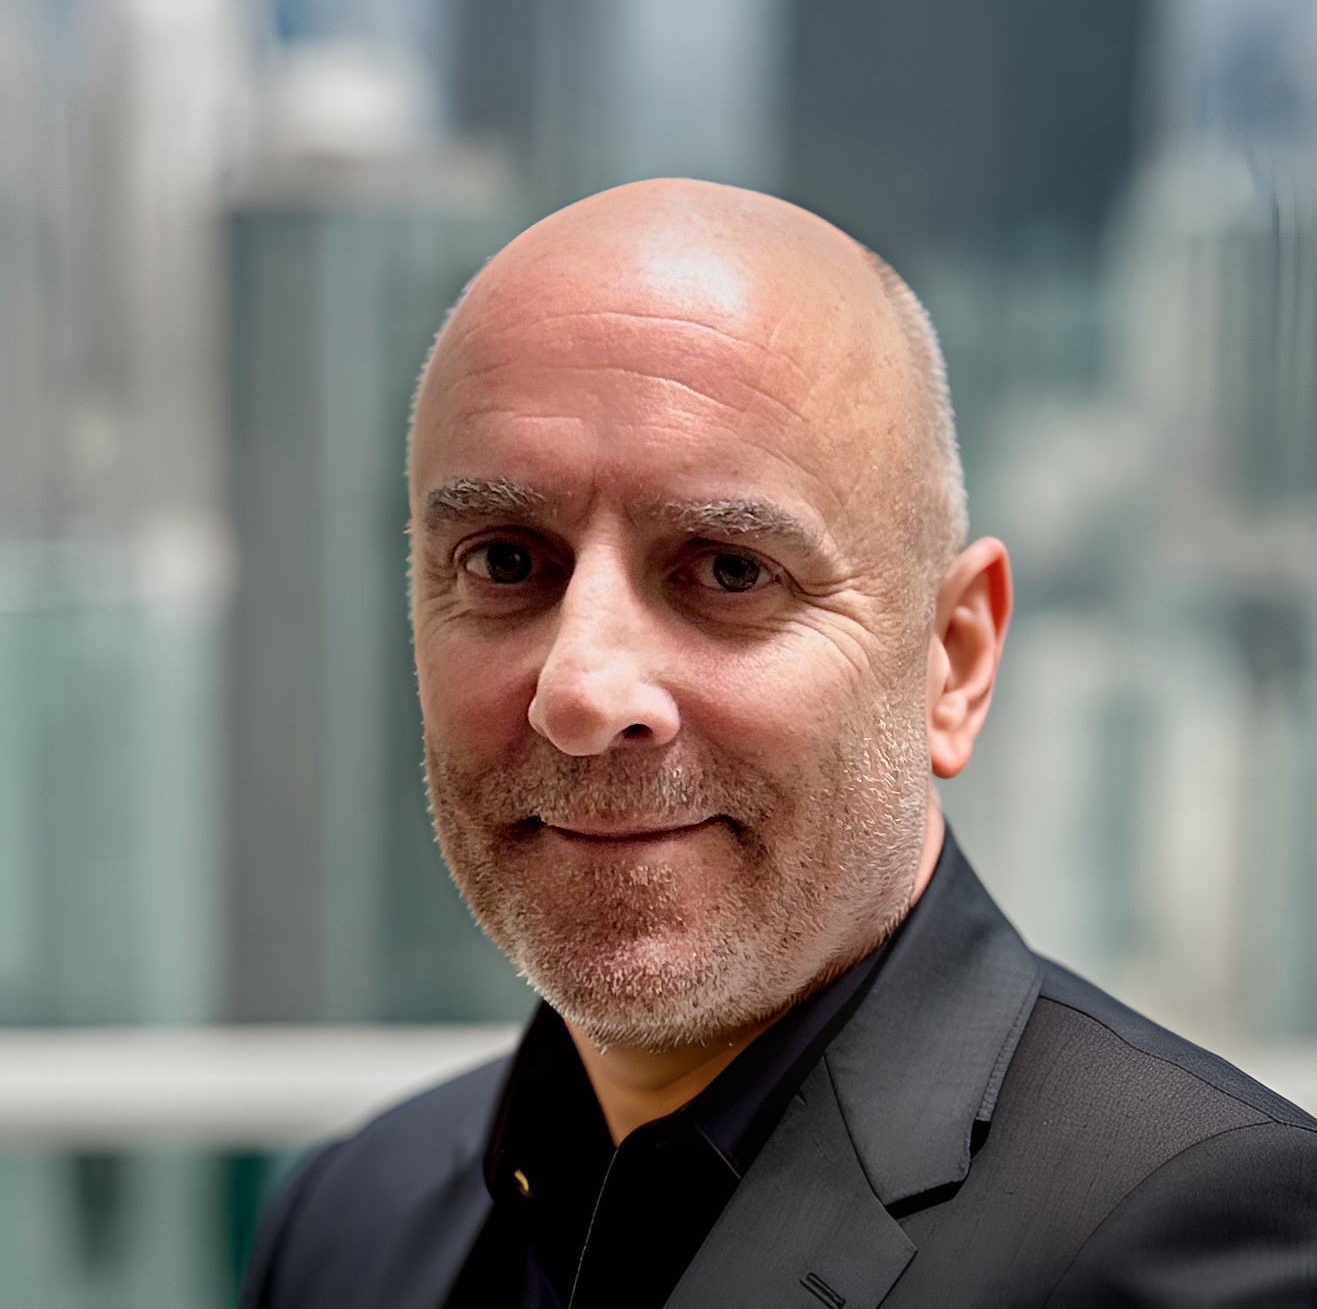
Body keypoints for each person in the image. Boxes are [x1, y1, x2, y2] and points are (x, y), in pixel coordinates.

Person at [241, 180, 1317, 1308]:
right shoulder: (349, 1220)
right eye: (505, 562)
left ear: (953, 659)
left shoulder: (1212, 1252)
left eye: (730, 568)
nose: (582, 691)